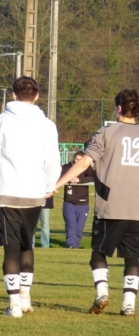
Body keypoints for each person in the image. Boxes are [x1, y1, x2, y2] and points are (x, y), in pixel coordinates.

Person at [0, 76, 61, 318]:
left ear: (13, 95)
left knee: (10, 249)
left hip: (6, 194)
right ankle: (25, 298)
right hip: (34, 195)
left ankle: (14, 305)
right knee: (27, 244)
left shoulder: (1, 122)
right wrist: (47, 187)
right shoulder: (47, 124)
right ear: (36, 97)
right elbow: (53, 162)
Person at [55, 89, 139, 317]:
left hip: (112, 206)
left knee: (98, 253)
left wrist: (58, 183)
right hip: (137, 209)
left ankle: (102, 293)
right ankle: (129, 304)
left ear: (119, 108)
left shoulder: (108, 132)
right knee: (133, 257)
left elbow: (84, 163)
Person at [60, 151, 95, 249]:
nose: (77, 161)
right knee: (71, 225)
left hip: (83, 202)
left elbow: (92, 177)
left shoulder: (87, 168)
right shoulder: (66, 167)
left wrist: (79, 180)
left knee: (80, 227)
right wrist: (69, 178)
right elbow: (60, 176)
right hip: (69, 201)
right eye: (76, 159)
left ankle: (76, 244)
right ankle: (71, 244)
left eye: (80, 160)